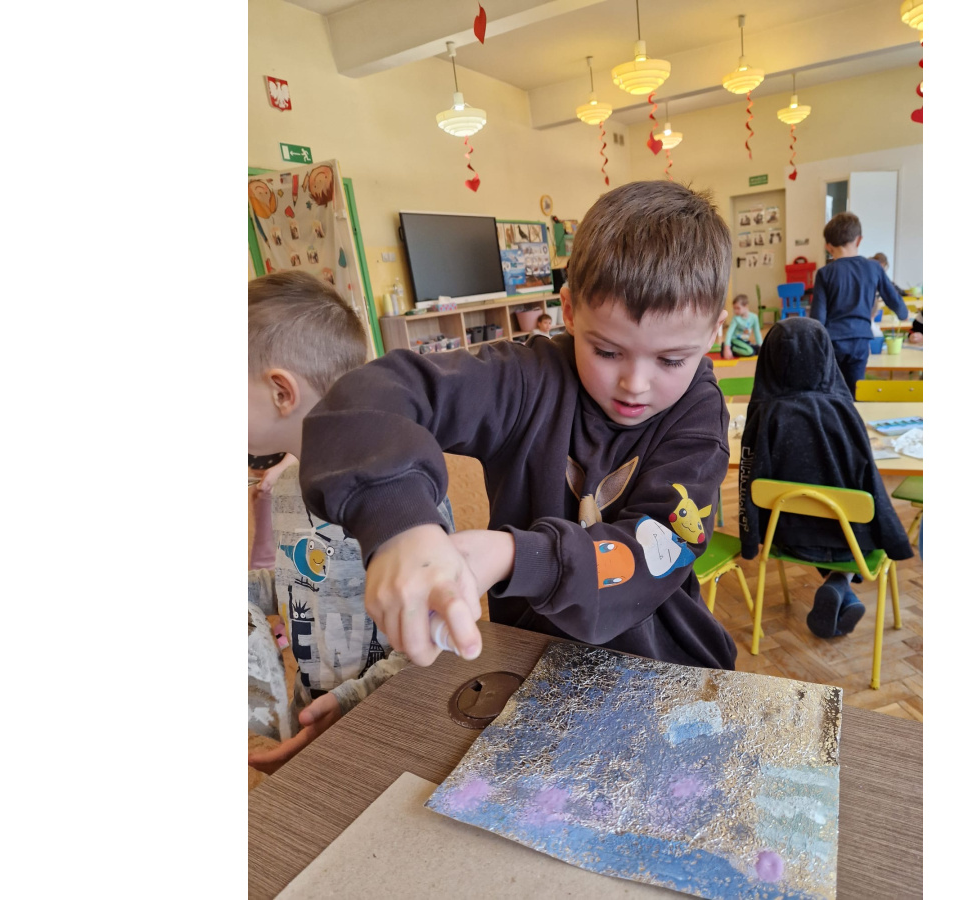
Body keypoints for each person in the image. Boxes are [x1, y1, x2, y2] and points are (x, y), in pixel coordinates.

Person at [299, 180, 738, 671]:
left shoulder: (698, 413)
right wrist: (401, 523)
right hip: (529, 663)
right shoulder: (525, 380)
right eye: (607, 351)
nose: (634, 384)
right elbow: (366, 402)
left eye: (672, 360)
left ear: (713, 332)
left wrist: (515, 556)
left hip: (668, 669)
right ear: (568, 310)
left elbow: (653, 550)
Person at [246, 271, 456, 774]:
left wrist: (349, 702)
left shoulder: (403, 493)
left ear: (281, 391)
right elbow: (300, 578)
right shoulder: (287, 486)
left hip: (391, 717)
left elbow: (436, 627)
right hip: (311, 708)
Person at [737, 317, 913, 638]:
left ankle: (840, 588)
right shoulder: (843, 412)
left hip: (787, 539)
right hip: (850, 544)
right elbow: (871, 483)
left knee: (815, 519)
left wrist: (750, 543)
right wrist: (895, 540)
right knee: (848, 523)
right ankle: (840, 582)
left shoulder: (763, 414)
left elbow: (748, 481)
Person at [811, 213, 909, 394]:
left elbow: (818, 317)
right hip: (861, 339)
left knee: (832, 390)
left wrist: (815, 347)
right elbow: (894, 299)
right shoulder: (874, 267)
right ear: (859, 240)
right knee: (856, 389)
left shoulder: (825, 273)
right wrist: (903, 314)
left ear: (828, 247)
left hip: (833, 341)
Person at [721, 294, 762, 359]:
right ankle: (730, 348)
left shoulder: (754, 317)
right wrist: (727, 348)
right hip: (735, 340)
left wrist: (760, 345)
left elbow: (757, 332)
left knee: (759, 351)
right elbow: (729, 333)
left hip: (744, 341)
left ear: (746, 306)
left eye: (738, 308)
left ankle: (742, 348)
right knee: (750, 352)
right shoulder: (736, 319)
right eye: (734, 308)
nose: (735, 311)